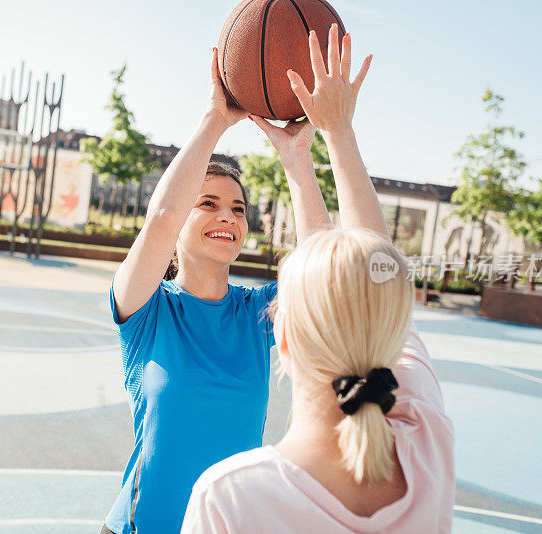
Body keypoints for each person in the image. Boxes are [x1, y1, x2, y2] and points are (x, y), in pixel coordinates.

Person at [182, 25, 455, 534]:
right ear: (391, 330)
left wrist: (309, 152)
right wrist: (336, 134)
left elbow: (370, 269)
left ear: (281, 335)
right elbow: (373, 269)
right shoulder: (425, 442)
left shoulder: (232, 497)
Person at [101, 44, 338, 533]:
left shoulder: (256, 313)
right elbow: (163, 218)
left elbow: (324, 268)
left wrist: (296, 159)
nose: (227, 216)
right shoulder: (147, 311)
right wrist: (214, 120)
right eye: (207, 203)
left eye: (238, 208)